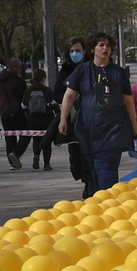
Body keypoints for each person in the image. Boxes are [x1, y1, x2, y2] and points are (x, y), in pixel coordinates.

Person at [58, 33, 137, 197]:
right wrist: (63, 119)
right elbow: (69, 96)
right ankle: (100, 210)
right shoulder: (82, 70)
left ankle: (109, 207)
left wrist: (134, 124)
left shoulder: (119, 73)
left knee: (106, 171)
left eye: (108, 46)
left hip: (112, 131)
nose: (105, 48)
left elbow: (128, 101)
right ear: (92, 49)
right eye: (101, 45)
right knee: (94, 173)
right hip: (87, 131)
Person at [53, 38, 88, 190]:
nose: (75, 54)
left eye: (78, 51)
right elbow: (58, 93)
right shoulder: (66, 69)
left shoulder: (91, 67)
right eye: (72, 51)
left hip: (91, 117)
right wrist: (71, 99)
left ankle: (89, 185)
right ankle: (83, 179)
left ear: (85, 51)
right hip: (74, 118)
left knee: (89, 155)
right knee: (76, 156)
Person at [0, 56, 33, 169]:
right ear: (14, 68)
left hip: (4, 112)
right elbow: (24, 97)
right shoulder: (19, 81)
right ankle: (16, 153)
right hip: (17, 112)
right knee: (26, 134)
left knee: (9, 137)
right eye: (19, 67)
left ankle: (12, 163)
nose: (20, 70)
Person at [25, 67, 56, 171]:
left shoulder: (28, 91)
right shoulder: (47, 90)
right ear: (43, 78)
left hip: (33, 120)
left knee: (36, 140)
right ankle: (47, 164)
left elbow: (23, 106)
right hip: (46, 120)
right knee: (46, 141)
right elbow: (53, 104)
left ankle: (36, 156)